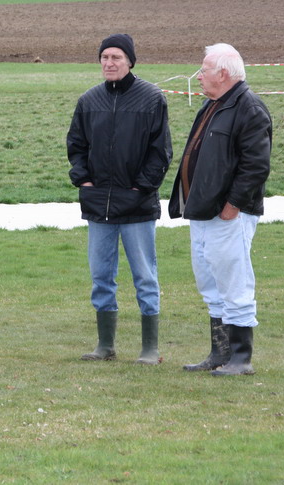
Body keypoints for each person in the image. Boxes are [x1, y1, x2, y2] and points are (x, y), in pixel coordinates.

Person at [67, 33, 173, 365]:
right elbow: (76, 146)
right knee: (101, 276)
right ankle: (105, 345)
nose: (109, 63)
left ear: (130, 61)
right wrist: (84, 181)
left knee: (145, 276)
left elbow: (160, 152)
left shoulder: (152, 99)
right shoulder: (89, 100)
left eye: (116, 57)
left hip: (137, 205)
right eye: (104, 57)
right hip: (98, 204)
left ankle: (150, 348)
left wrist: (140, 189)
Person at [169, 43, 272, 376]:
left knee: (234, 283)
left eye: (204, 70)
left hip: (228, 215)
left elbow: (256, 166)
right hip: (203, 212)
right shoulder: (213, 105)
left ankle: (241, 359)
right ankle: (219, 353)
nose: (199, 76)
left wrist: (233, 205)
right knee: (211, 283)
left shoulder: (249, 108)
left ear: (223, 74)